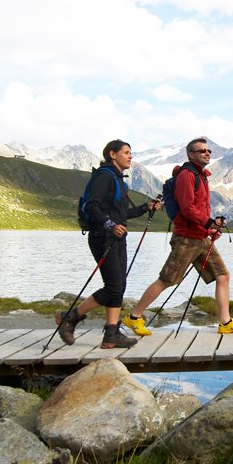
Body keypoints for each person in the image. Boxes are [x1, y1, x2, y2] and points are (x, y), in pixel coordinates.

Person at [129, 137, 233, 334]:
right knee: (166, 280)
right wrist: (209, 223)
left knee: (223, 275)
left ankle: (226, 323)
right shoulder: (187, 175)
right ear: (191, 154)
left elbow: (197, 209)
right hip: (186, 239)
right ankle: (134, 317)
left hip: (200, 237)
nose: (207, 153)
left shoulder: (201, 176)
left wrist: (208, 229)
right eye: (202, 151)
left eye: (208, 150)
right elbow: (187, 209)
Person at [55, 139, 161, 348]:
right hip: (102, 237)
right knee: (113, 286)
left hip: (116, 237)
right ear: (113, 154)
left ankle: (111, 333)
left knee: (119, 286)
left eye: (131, 153)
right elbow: (91, 206)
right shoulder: (104, 176)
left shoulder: (119, 179)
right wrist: (110, 225)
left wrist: (145, 207)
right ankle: (71, 317)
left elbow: (122, 214)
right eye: (126, 153)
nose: (131, 156)